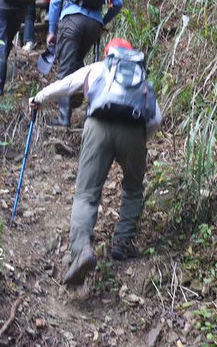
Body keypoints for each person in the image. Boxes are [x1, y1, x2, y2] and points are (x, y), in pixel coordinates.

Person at [29, 38, 162, 286]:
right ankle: (122, 243)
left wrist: (39, 97)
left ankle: (81, 249)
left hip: (97, 126)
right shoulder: (140, 77)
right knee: (133, 189)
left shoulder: (98, 68)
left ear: (107, 54)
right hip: (133, 131)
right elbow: (155, 118)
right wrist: (141, 138)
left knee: (86, 194)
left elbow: (66, 84)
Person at [46, 0, 123, 126]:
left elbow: (56, 2)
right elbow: (118, 3)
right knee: (76, 62)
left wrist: (51, 30)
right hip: (94, 25)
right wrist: (102, 21)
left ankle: (64, 118)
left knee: (65, 68)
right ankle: (81, 102)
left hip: (71, 22)